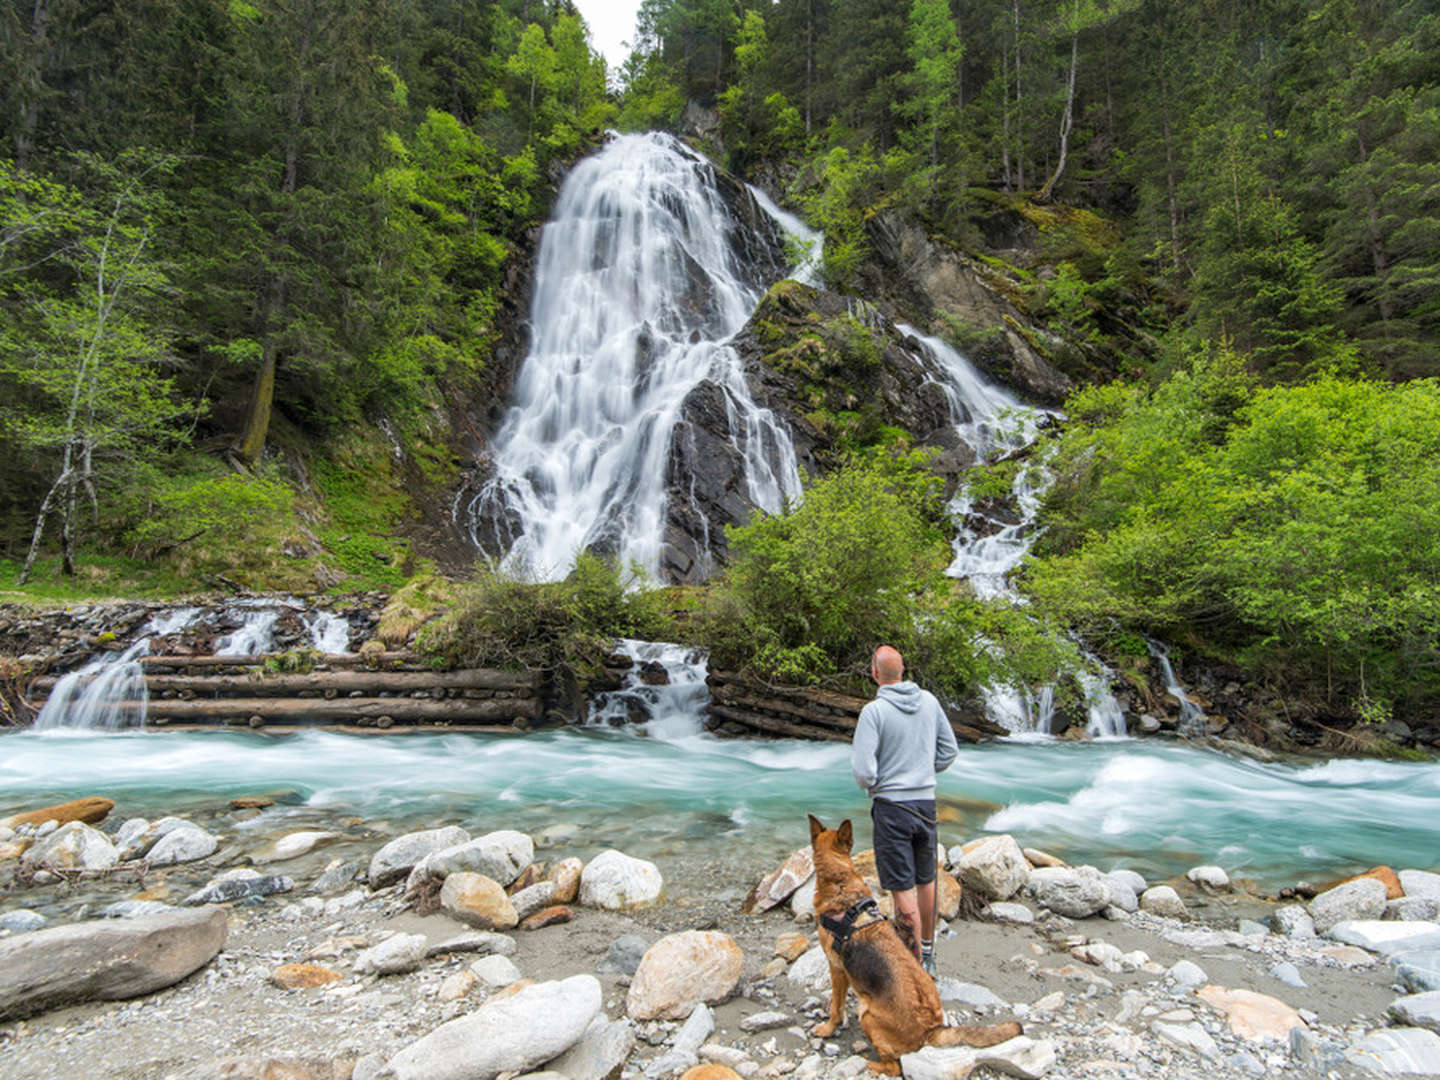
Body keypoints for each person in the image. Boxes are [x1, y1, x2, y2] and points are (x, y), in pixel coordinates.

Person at [850, 644, 958, 976]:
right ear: (903, 670)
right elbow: (949, 751)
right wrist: (923, 772)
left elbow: (864, 771)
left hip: (891, 808)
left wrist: (880, 784)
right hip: (926, 803)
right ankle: (928, 953)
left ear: (874, 673)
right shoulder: (929, 702)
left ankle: (912, 965)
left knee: (901, 887)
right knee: (926, 880)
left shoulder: (874, 712)